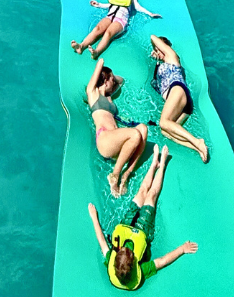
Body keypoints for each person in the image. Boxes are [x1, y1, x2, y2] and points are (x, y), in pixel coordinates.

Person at [87, 146, 197, 288]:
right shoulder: (141, 271)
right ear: (134, 264)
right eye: (130, 253)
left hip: (126, 226)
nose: (127, 249)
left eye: (121, 250)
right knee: (151, 195)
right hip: (142, 231)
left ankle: (153, 165)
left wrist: (94, 217)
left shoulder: (111, 261)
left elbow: (102, 242)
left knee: (142, 191)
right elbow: (161, 261)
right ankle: (162, 164)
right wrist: (182, 249)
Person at [86, 59, 149, 196]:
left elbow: (121, 81)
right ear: (105, 81)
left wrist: (111, 77)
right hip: (104, 138)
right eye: (111, 79)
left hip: (116, 142)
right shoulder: (93, 93)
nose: (114, 81)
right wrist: (100, 62)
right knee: (134, 134)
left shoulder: (109, 97)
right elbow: (99, 65)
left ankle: (126, 173)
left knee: (143, 128)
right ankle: (115, 174)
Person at [149, 36, 209, 163]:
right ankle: (197, 147)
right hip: (184, 104)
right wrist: (156, 61)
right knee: (165, 131)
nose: (156, 52)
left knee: (164, 122)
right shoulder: (161, 64)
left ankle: (197, 141)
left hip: (177, 89)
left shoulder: (172, 57)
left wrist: (158, 47)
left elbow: (152, 37)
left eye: (158, 49)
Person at [72, 0, 160, 58]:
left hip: (121, 20)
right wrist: (99, 4)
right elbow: (110, 5)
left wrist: (150, 14)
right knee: (97, 29)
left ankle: (97, 52)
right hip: (110, 16)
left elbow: (138, 7)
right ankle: (81, 46)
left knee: (108, 33)